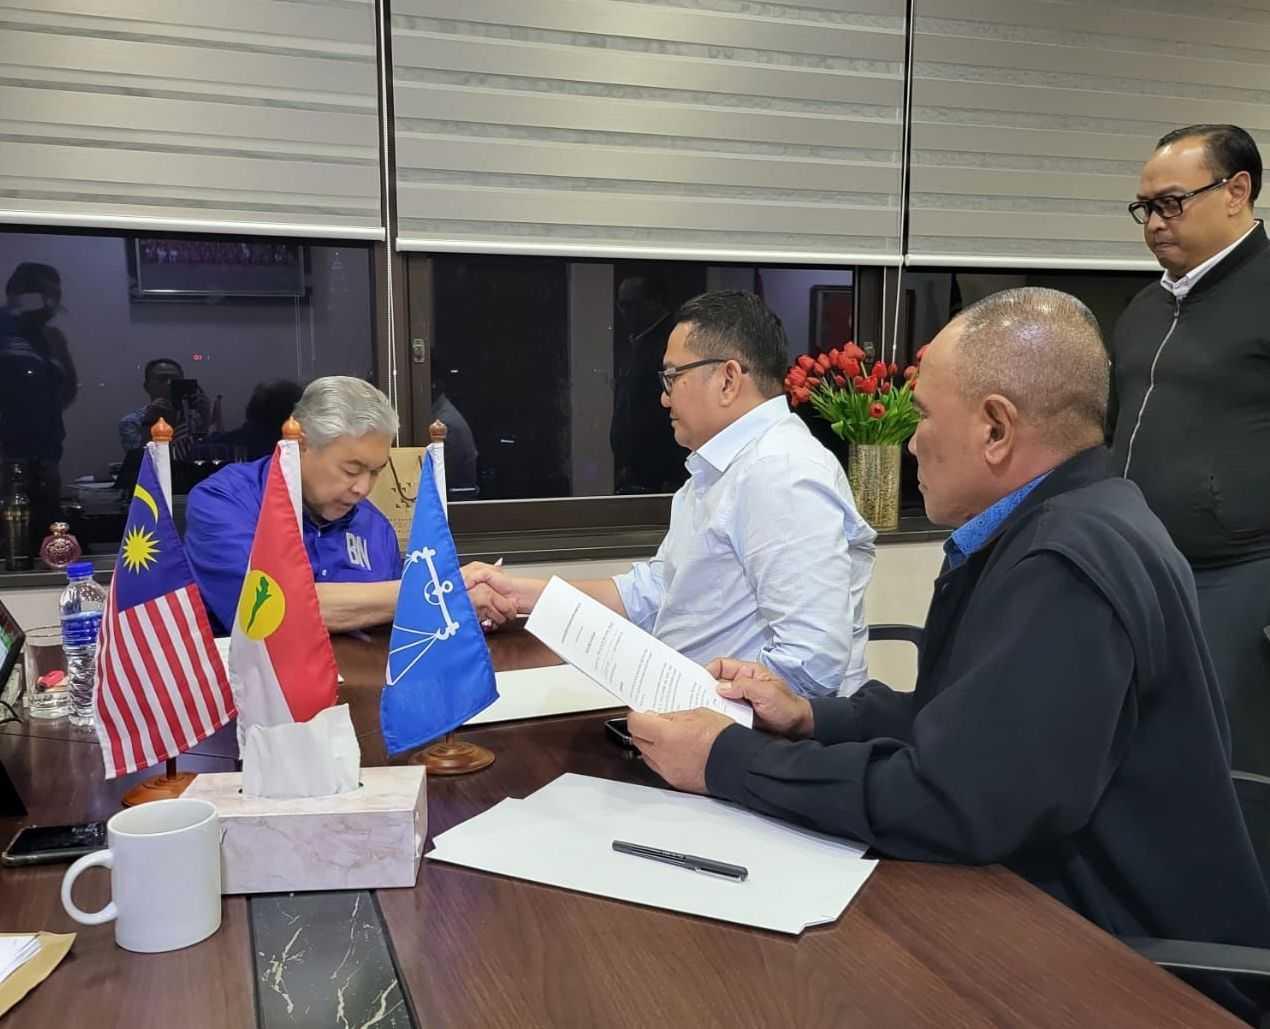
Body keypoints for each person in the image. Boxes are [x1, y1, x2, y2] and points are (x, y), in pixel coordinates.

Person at [628, 288, 1270, 1022]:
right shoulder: (1071, 519)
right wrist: (809, 717)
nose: (908, 444)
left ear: (996, 428)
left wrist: (725, 761)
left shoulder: (1064, 567)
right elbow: (960, 723)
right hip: (1052, 904)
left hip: (1130, 967)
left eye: (924, 417)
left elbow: (951, 801)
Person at [467, 290, 876, 698]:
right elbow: (653, 593)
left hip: (736, 722)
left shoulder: (782, 472)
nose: (664, 397)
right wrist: (519, 593)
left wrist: (691, 700)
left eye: (672, 377)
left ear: (728, 380)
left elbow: (811, 664)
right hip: (683, 703)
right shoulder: (718, 470)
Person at [1109, 124, 1270, 776]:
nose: (1154, 223)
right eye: (1145, 208)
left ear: (1236, 191)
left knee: (1216, 771)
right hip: (1137, 572)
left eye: (1171, 203)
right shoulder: (1144, 308)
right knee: (1128, 756)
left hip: (1237, 578)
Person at [186, 376, 516, 635]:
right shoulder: (223, 503)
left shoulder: (375, 527)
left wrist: (461, 608)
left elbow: (396, 621)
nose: (363, 488)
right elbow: (269, 610)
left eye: (375, 472)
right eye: (351, 469)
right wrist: (435, 591)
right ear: (300, 445)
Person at [0, 262, 77, 548]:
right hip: (7, 454)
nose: (51, 303)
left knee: (47, 534)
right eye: (45, 294)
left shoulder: (51, 337)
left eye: (55, 295)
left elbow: (68, 389)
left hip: (46, 452)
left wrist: (41, 415)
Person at [610, 275, 686, 494]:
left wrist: (671, 477)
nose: (624, 312)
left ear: (654, 302)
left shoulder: (670, 341)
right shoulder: (639, 341)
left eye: (631, 305)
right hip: (636, 471)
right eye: (621, 305)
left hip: (661, 476)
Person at [118, 358, 210, 456]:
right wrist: (149, 423)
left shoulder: (194, 418)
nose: (169, 383)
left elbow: (210, 452)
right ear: (147, 386)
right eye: (162, 379)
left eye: (174, 380)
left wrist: (206, 418)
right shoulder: (132, 422)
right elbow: (138, 459)